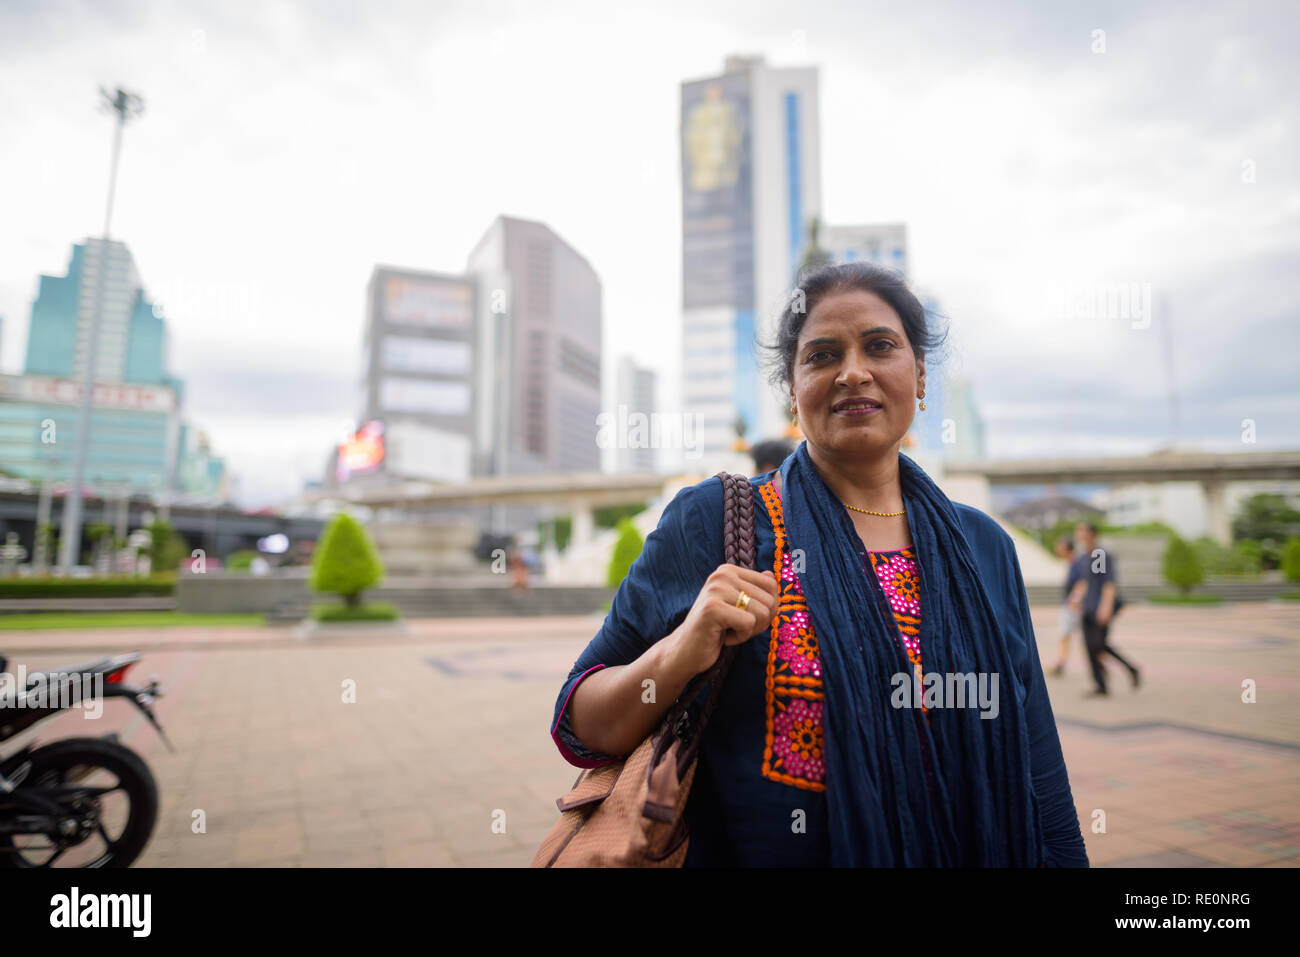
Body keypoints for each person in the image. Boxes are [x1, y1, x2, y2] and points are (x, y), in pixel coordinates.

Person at [548, 261, 1088, 867]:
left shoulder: (982, 546)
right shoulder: (716, 523)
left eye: (880, 346)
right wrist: (680, 652)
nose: (853, 372)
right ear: (793, 389)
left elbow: (1037, 760)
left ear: (921, 374)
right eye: (823, 355)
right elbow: (581, 722)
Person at [1067, 522, 1140, 696]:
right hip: (1087, 608)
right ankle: (1101, 686)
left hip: (1099, 608)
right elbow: (1085, 582)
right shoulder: (1084, 557)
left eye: (1082, 531)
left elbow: (1108, 583)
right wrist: (1076, 598)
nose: (1079, 534)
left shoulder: (1099, 555)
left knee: (1099, 644)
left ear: (1092, 534)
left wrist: (1105, 607)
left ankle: (1131, 668)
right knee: (1090, 648)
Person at [1048, 536, 1079, 676]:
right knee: (1065, 635)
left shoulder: (1076, 563)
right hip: (1070, 605)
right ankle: (1061, 662)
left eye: (1060, 546)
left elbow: (1082, 583)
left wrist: (1075, 599)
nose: (1057, 549)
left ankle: (1061, 663)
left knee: (1064, 634)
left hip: (1073, 606)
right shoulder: (1072, 563)